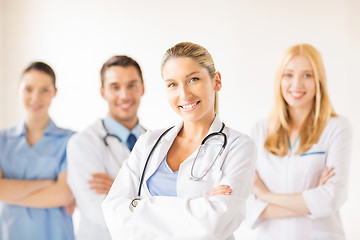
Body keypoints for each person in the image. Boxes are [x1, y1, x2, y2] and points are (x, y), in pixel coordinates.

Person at [102, 42, 256, 240]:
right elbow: (113, 212)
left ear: (216, 80)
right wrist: (200, 207)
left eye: (193, 79)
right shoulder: (148, 142)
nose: (184, 94)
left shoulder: (239, 146)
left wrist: (137, 205)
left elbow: (213, 225)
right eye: (172, 84)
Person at [246, 44, 352, 240]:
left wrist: (266, 196)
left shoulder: (337, 127)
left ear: (319, 81)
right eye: (288, 75)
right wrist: (311, 201)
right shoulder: (259, 130)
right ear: (279, 79)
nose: (297, 84)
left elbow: (331, 198)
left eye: (307, 75)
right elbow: (247, 205)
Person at [66, 55, 146, 240]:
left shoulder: (157, 143)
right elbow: (102, 212)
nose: (125, 95)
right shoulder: (83, 144)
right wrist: (148, 200)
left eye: (132, 85)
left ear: (142, 88)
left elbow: (174, 206)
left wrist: (120, 190)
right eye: (115, 87)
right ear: (103, 92)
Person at [0, 62, 75, 240]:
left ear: (54, 93)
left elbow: (64, 194)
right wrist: (48, 183)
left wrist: (9, 193)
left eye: (44, 90)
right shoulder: (2, 140)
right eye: (28, 89)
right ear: (18, 91)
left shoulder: (70, 140)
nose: (36, 97)